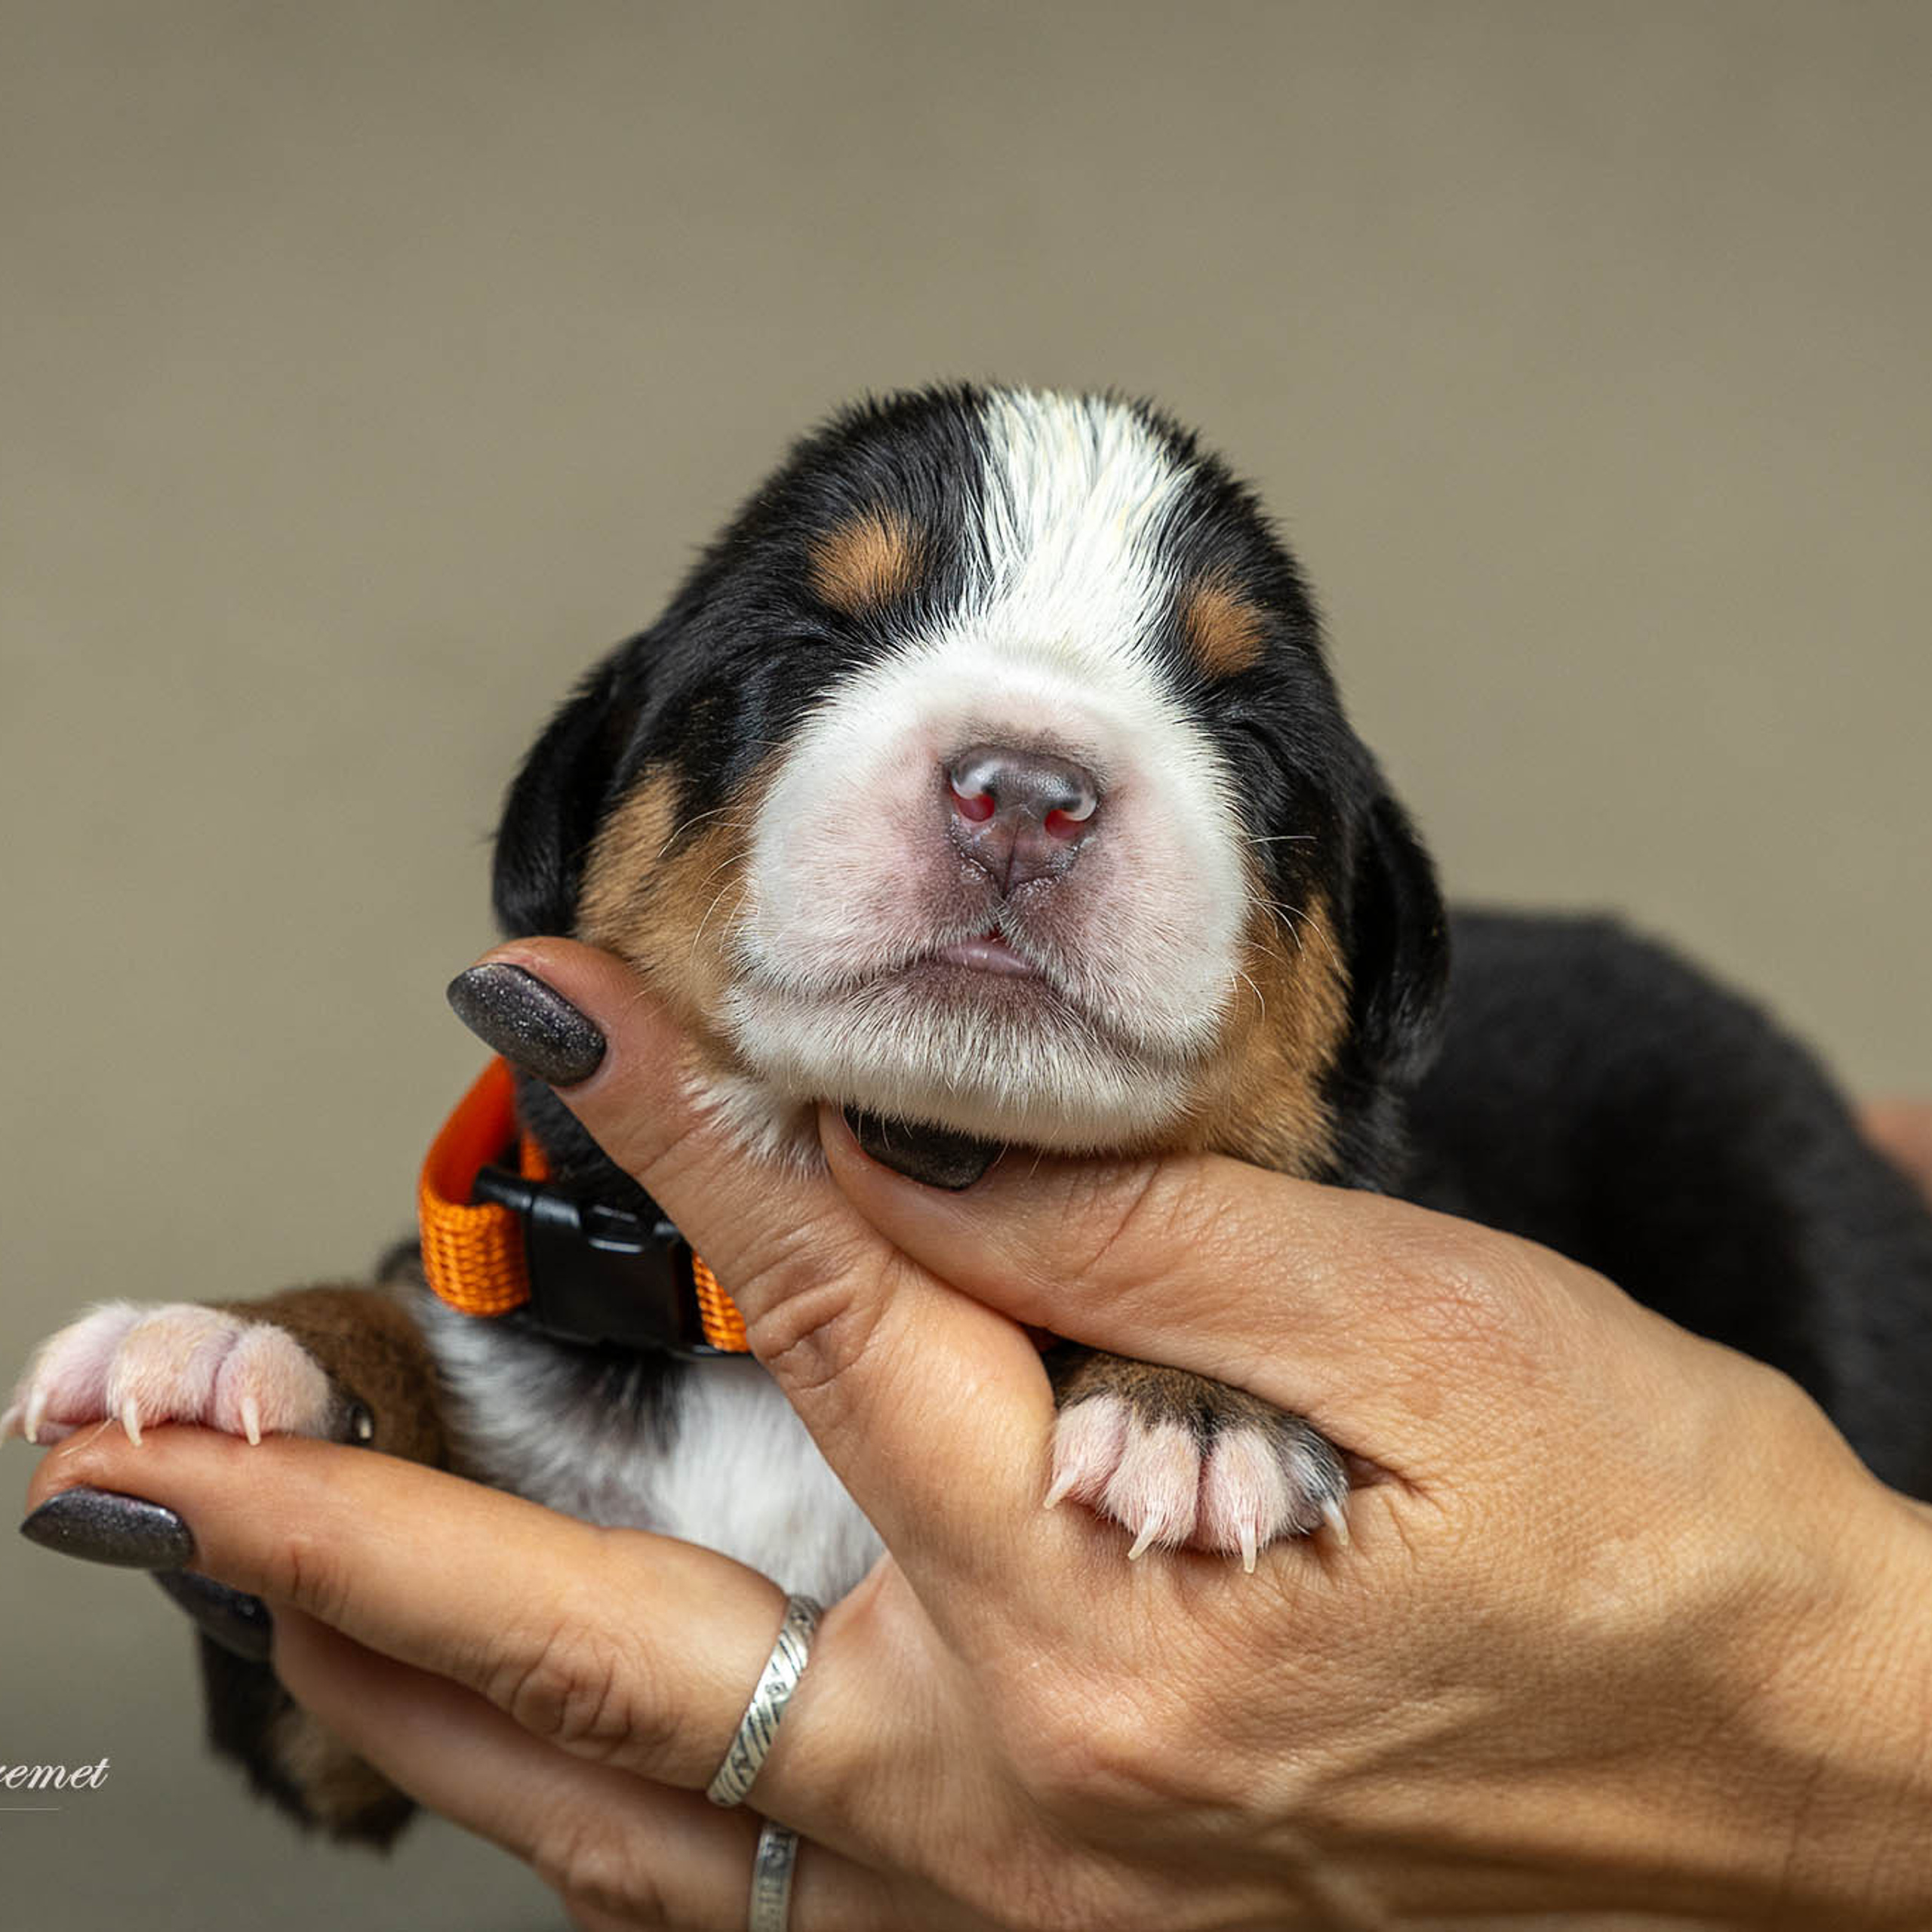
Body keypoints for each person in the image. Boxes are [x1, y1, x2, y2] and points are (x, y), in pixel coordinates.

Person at [22, 940, 1932, 1930]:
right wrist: (343, 1391)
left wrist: (1836, 1757)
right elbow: (335, 1738)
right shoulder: (547, 1236)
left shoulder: (1651, 1118)